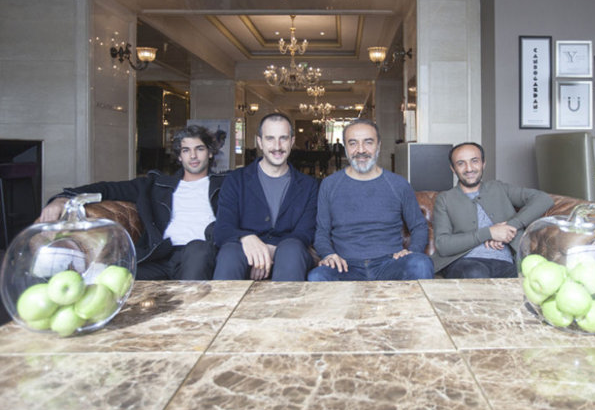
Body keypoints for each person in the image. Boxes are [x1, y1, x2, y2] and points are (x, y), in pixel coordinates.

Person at [37, 125, 224, 280]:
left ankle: (190, 310)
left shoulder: (226, 184)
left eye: (199, 149)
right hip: (159, 255)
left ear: (210, 153)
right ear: (179, 156)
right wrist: (63, 198)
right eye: (186, 150)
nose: (193, 156)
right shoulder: (155, 184)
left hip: (199, 253)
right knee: (102, 276)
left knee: (198, 248)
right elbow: (107, 188)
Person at [308, 119, 435, 281]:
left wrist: (412, 251)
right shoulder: (329, 184)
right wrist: (328, 254)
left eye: (368, 142)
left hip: (390, 264)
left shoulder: (399, 184)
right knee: (317, 276)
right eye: (353, 143)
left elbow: (419, 226)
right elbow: (321, 232)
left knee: (421, 264)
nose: (361, 150)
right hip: (345, 266)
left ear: (378, 146)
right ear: (345, 147)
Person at [213, 113, 318, 281]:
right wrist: (246, 238)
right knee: (229, 253)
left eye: (283, 138)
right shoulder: (235, 180)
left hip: (290, 255)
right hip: (243, 252)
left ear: (292, 142)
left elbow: (305, 232)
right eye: (270, 139)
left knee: (291, 249)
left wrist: (269, 250)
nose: (277, 146)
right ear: (260, 142)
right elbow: (222, 229)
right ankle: (223, 300)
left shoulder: (309, 185)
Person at [432, 142, 554, 279]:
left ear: (483, 164)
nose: (469, 168)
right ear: (453, 168)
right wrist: (490, 233)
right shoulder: (445, 199)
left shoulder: (499, 188)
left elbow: (544, 199)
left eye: (474, 161)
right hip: (465, 262)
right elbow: (443, 245)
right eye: (461, 163)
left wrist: (510, 227)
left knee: (530, 278)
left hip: (506, 263)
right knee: (476, 273)